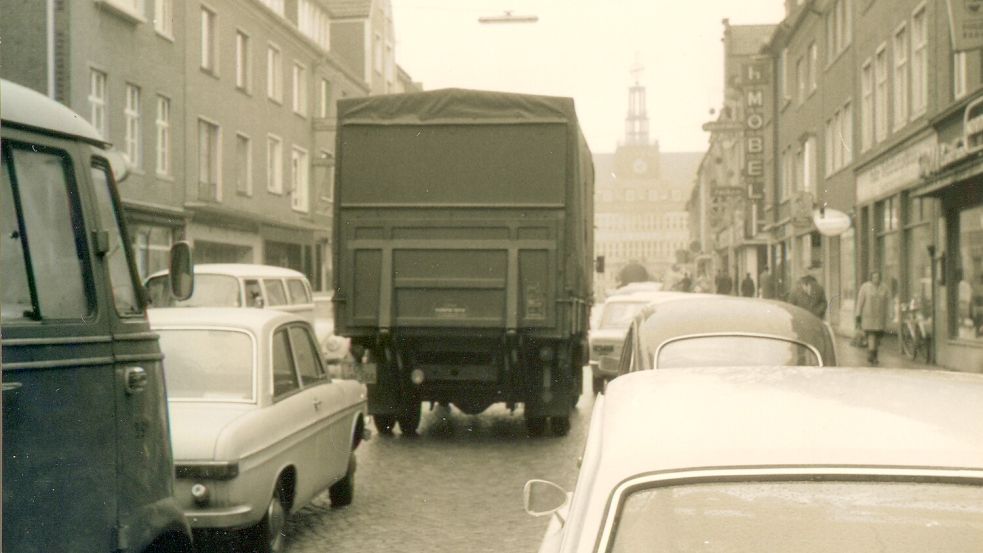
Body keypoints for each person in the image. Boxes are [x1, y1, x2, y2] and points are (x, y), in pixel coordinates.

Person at [856, 271, 891, 366]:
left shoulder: (884, 288)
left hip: (880, 317)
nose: (876, 279)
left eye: (878, 277)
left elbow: (888, 302)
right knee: (872, 336)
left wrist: (890, 314)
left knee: (877, 338)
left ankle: (872, 354)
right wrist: (858, 314)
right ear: (871, 278)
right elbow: (860, 301)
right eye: (874, 277)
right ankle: (873, 356)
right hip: (868, 317)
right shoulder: (865, 287)